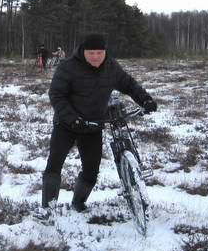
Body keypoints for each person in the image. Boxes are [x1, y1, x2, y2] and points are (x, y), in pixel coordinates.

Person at [42, 33, 157, 211]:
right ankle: (48, 209)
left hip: (93, 126)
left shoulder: (111, 67)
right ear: (83, 52)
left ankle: (78, 203)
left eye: (99, 52)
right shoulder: (68, 67)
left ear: (104, 52)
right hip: (66, 125)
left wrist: (146, 100)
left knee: (91, 171)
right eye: (91, 53)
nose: (95, 56)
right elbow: (56, 95)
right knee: (54, 166)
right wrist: (73, 119)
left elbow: (129, 84)